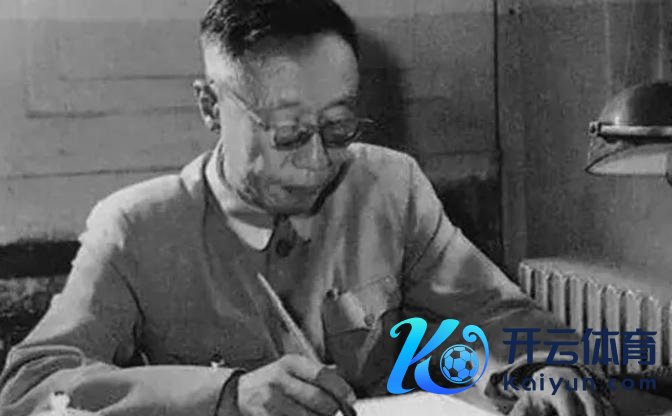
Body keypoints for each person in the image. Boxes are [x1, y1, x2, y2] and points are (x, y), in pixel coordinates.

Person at [0, 1, 618, 415]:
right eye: (290, 134)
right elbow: (32, 386)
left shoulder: (389, 185)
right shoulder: (137, 228)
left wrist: (543, 368)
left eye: (339, 125)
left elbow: (496, 313)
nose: (319, 161)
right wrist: (225, 396)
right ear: (212, 107)